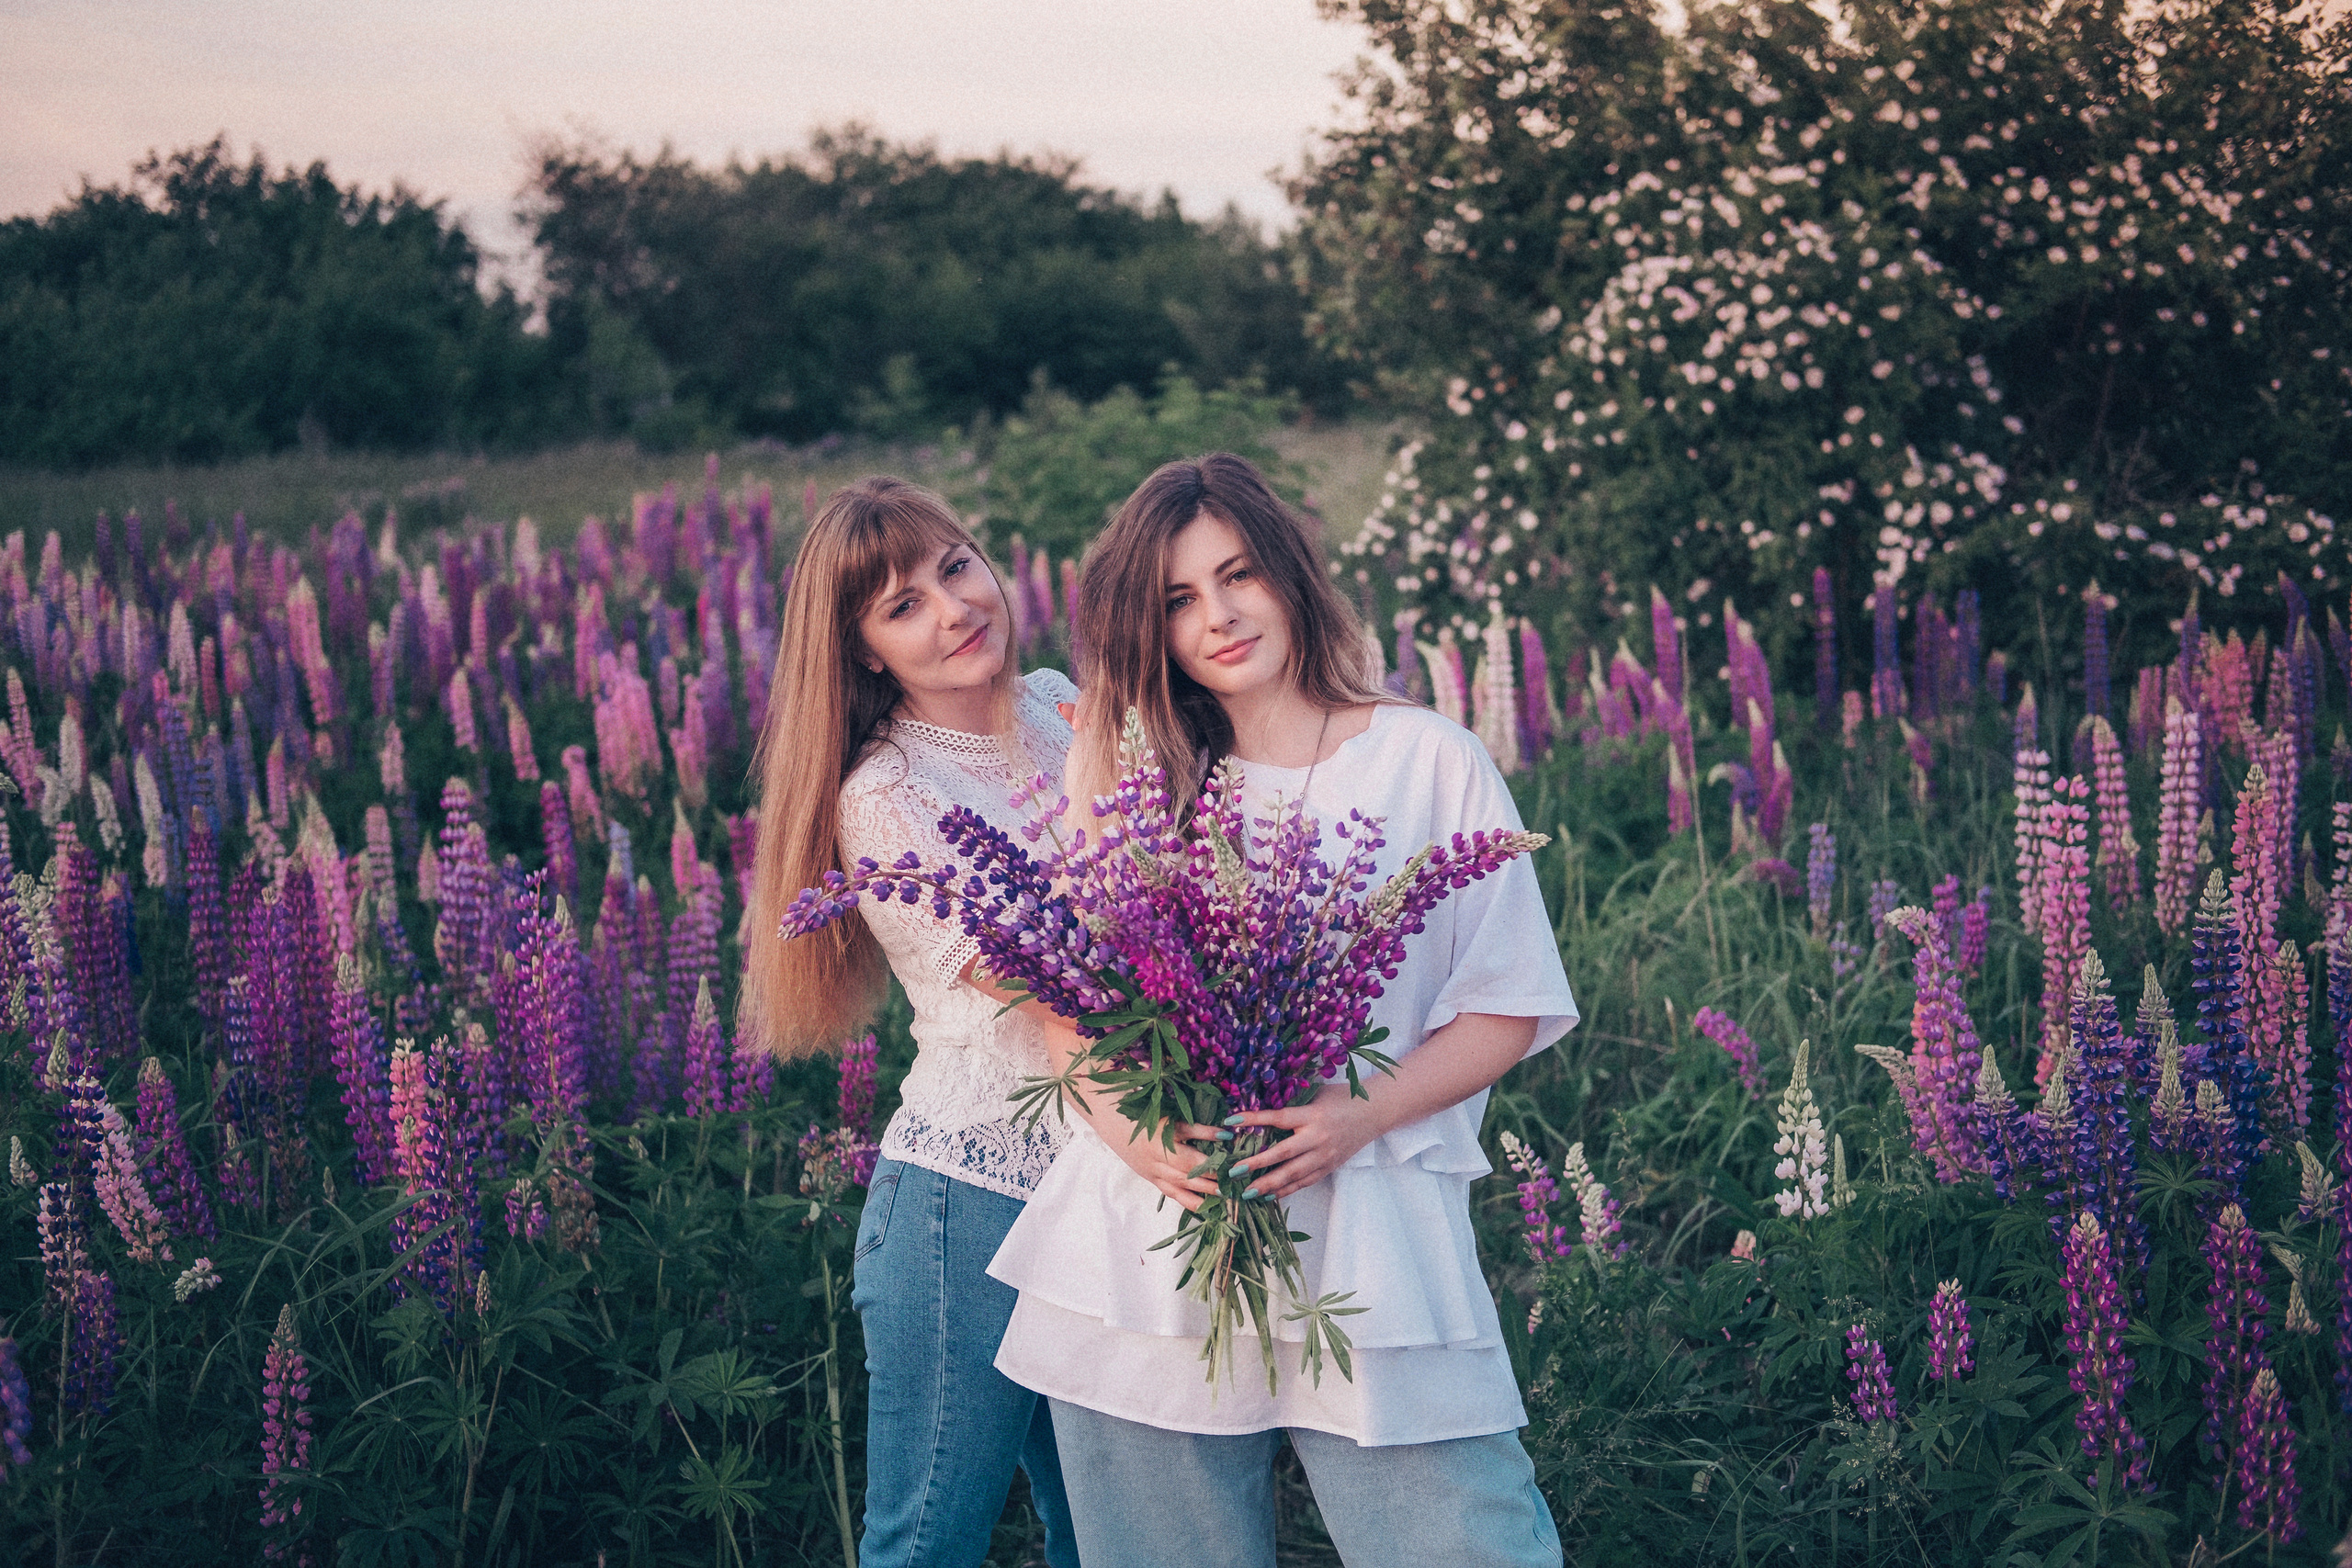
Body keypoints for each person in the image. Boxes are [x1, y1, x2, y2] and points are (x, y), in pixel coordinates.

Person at [987, 454, 1575, 1568]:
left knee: (1461, 1543)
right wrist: (1137, 1137)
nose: (1216, 616)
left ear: (1291, 573)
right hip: (1153, 1234)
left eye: (1238, 575)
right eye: (1176, 599)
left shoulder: (1426, 759)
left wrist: (1361, 1115)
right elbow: (1068, 997)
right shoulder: (1137, 779)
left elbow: (1507, 1006)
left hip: (1371, 1231)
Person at [744, 476, 1080, 1568]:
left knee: (1106, 1538)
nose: (953, 609)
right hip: (966, 1205)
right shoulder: (883, 794)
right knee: (928, 1541)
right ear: (866, 651)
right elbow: (1054, 978)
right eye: (903, 605)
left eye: (955, 566)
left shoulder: (1061, 705)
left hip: (1104, 1193)